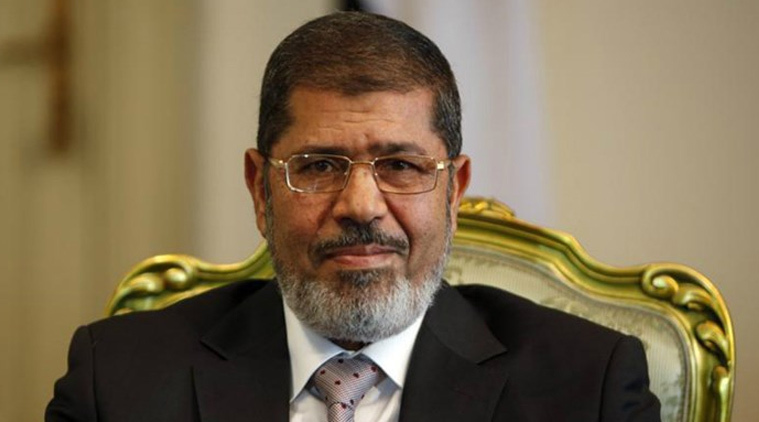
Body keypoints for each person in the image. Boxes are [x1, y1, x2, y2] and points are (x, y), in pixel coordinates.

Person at [46, 12, 661, 422]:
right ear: (260, 189)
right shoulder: (119, 380)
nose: (361, 206)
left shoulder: (588, 385)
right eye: (318, 166)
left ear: (453, 193)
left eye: (400, 166)